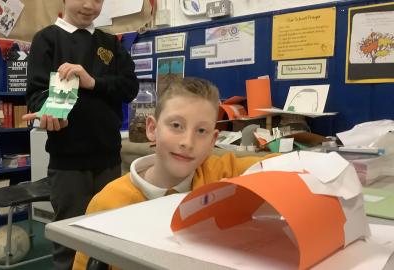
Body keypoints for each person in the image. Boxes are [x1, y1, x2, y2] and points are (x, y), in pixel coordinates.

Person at [72, 77, 277, 270]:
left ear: (213, 141)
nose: (187, 142)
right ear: (152, 128)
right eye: (176, 125)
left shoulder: (220, 171)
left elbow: (290, 166)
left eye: (201, 131)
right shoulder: (109, 203)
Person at [22, 0, 139, 269]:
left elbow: (129, 87)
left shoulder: (110, 43)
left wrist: (92, 82)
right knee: (70, 238)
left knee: (110, 233)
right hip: (68, 161)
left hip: (108, 157)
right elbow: (37, 94)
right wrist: (46, 113)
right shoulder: (47, 39)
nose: (89, 5)